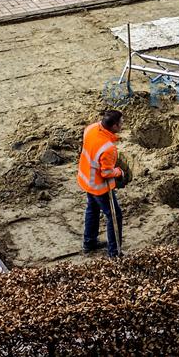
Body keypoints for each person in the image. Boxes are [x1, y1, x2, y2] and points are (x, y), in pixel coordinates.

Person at [78, 109, 125, 258]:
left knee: (92, 209)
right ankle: (114, 252)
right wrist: (119, 172)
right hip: (99, 186)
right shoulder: (108, 148)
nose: (123, 125)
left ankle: (89, 242)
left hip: (86, 178)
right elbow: (106, 173)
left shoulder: (90, 128)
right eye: (121, 123)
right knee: (114, 216)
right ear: (114, 126)